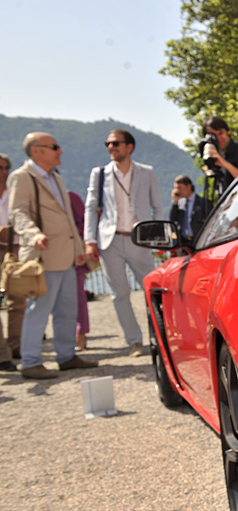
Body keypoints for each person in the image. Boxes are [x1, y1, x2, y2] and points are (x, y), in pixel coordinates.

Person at [8, 133, 96, 379]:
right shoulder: (22, 177)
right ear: (38, 151)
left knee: (68, 309)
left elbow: (68, 218)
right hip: (42, 256)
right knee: (39, 311)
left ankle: (67, 356)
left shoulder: (55, 177)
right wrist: (33, 234)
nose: (60, 151)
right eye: (54, 147)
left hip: (65, 256)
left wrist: (78, 250)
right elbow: (18, 213)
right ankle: (30, 362)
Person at [84, 129, 163, 357]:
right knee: (119, 294)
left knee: (153, 290)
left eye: (116, 143)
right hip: (110, 239)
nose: (111, 147)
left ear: (129, 147)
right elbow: (91, 207)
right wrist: (90, 240)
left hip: (140, 240)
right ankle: (135, 341)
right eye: (108, 144)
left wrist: (156, 236)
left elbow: (157, 206)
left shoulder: (147, 172)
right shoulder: (99, 174)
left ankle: (159, 336)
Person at [0, 152, 23, 369]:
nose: (4, 172)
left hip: (14, 247)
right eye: (0, 168)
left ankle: (16, 346)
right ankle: (2, 354)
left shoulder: (15, 190)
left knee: (18, 301)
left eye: (6, 167)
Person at [201, 116, 238, 195]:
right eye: (213, 136)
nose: (219, 138)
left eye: (220, 133)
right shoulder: (213, 152)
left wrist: (225, 164)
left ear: (228, 132)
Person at [67, 191, 90, 351]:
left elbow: (85, 224)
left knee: (78, 298)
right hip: (51, 256)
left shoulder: (71, 197)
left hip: (74, 255)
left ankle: (80, 335)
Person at [168, 175, 211, 247]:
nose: (177, 191)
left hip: (199, 241)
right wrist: (175, 202)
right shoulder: (180, 204)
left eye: (179, 188)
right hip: (184, 242)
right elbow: (172, 219)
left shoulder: (203, 203)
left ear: (188, 186)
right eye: (176, 188)